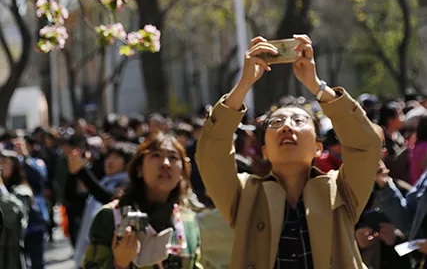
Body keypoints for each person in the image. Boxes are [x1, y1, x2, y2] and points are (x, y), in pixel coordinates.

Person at [196, 34, 382, 269]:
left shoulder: (341, 190)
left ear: (318, 147)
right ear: (264, 151)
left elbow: (366, 145)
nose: (286, 126)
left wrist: (317, 85)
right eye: (275, 123)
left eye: (298, 120)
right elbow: (211, 155)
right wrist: (244, 84)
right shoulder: (245, 195)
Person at [82, 133, 202, 269]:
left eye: (173, 157)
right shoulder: (111, 217)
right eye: (156, 155)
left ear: (183, 173)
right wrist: (119, 264)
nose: (166, 164)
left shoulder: (188, 220)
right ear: (139, 169)